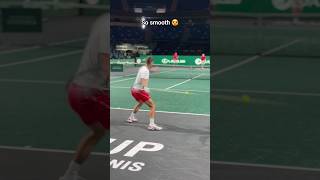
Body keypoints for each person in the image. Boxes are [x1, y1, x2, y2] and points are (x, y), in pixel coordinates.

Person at [59, 13, 110, 180]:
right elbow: (106, 62)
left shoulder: (104, 19)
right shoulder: (108, 25)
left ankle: (70, 174)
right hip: (90, 93)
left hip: (78, 90)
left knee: (98, 132)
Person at [127, 57, 162, 131]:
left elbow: (145, 72)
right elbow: (143, 82)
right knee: (152, 105)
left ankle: (131, 117)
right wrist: (146, 89)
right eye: (152, 63)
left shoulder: (143, 67)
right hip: (139, 91)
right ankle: (151, 125)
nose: (153, 64)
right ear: (151, 62)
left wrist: (153, 70)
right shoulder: (145, 71)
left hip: (134, 90)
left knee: (140, 102)